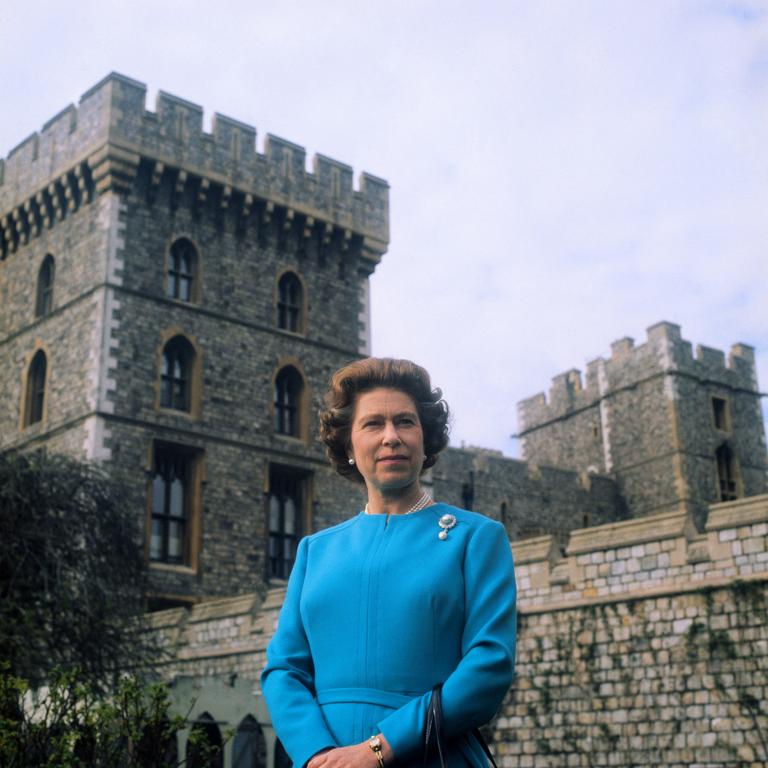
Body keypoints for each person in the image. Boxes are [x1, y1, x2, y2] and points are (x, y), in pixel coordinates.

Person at [261, 358, 516, 768]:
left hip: (432, 756)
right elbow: (284, 670)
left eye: (405, 422)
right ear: (348, 445)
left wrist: (378, 749)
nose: (391, 437)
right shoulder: (314, 551)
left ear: (426, 439)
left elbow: (489, 666)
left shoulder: (477, 538)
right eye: (373, 424)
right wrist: (318, 754)